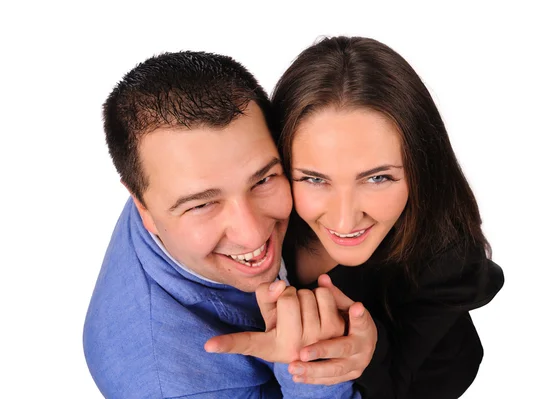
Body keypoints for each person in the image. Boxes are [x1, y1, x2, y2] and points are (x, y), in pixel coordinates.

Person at [209, 36, 505, 398]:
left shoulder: (448, 264)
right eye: (315, 179)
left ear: (419, 170)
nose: (346, 221)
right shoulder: (262, 209)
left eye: (378, 178)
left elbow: (399, 385)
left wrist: (368, 350)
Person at [82, 50, 372, 398]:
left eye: (263, 180)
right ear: (142, 205)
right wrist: (316, 377)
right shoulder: (174, 387)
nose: (251, 233)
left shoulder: (173, 184)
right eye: (204, 204)